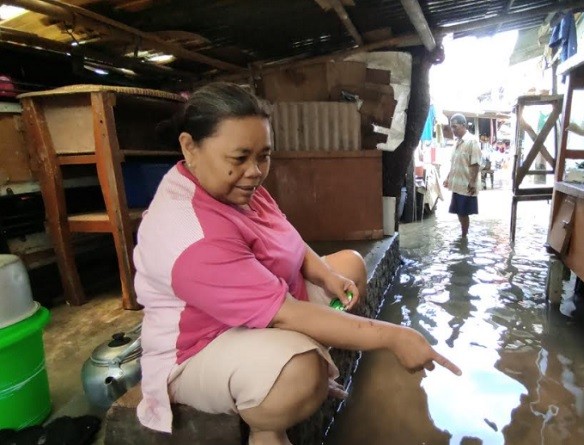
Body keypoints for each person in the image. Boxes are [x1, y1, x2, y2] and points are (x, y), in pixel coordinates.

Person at [133, 82, 461, 445]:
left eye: (263, 155)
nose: (256, 171)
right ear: (189, 147)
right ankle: (265, 422)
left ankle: (283, 367)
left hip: (258, 313)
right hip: (201, 346)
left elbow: (290, 240)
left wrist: (327, 274)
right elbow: (285, 313)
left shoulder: (239, 188)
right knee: (303, 375)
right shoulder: (192, 235)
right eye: (239, 158)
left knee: (349, 267)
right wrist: (394, 335)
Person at [442, 113, 482, 237]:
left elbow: (475, 164)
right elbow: (454, 163)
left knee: (463, 212)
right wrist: (448, 177)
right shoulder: (457, 142)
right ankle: (463, 234)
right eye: (451, 127)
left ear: (463, 125)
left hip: (466, 184)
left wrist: (472, 182)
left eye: (455, 127)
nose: (453, 130)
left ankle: (464, 236)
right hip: (458, 184)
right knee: (459, 211)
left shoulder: (472, 141)